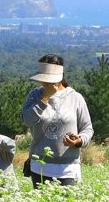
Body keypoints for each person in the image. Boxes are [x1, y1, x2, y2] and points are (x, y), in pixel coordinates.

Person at [21, 54, 93, 188]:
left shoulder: (75, 98)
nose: (44, 83)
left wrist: (78, 141)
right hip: (40, 166)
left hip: (68, 167)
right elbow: (28, 120)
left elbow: (87, 128)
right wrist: (44, 99)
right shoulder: (34, 95)